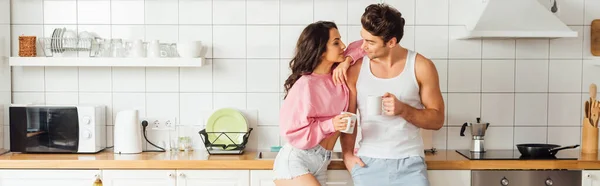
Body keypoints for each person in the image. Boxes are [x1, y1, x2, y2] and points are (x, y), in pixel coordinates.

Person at [338, 3, 445, 186]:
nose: (363, 47)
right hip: (367, 163)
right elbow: (350, 118)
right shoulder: (356, 70)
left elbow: (437, 120)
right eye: (363, 39)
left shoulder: (421, 66)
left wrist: (404, 110)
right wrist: (347, 155)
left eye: (370, 42)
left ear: (391, 42)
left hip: (411, 163)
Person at [273, 21, 358, 186]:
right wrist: (330, 124)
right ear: (320, 51)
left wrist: (347, 60)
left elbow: (364, 45)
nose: (343, 45)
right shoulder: (305, 85)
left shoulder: (338, 76)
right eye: (336, 42)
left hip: (321, 163)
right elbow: (290, 131)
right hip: (296, 161)